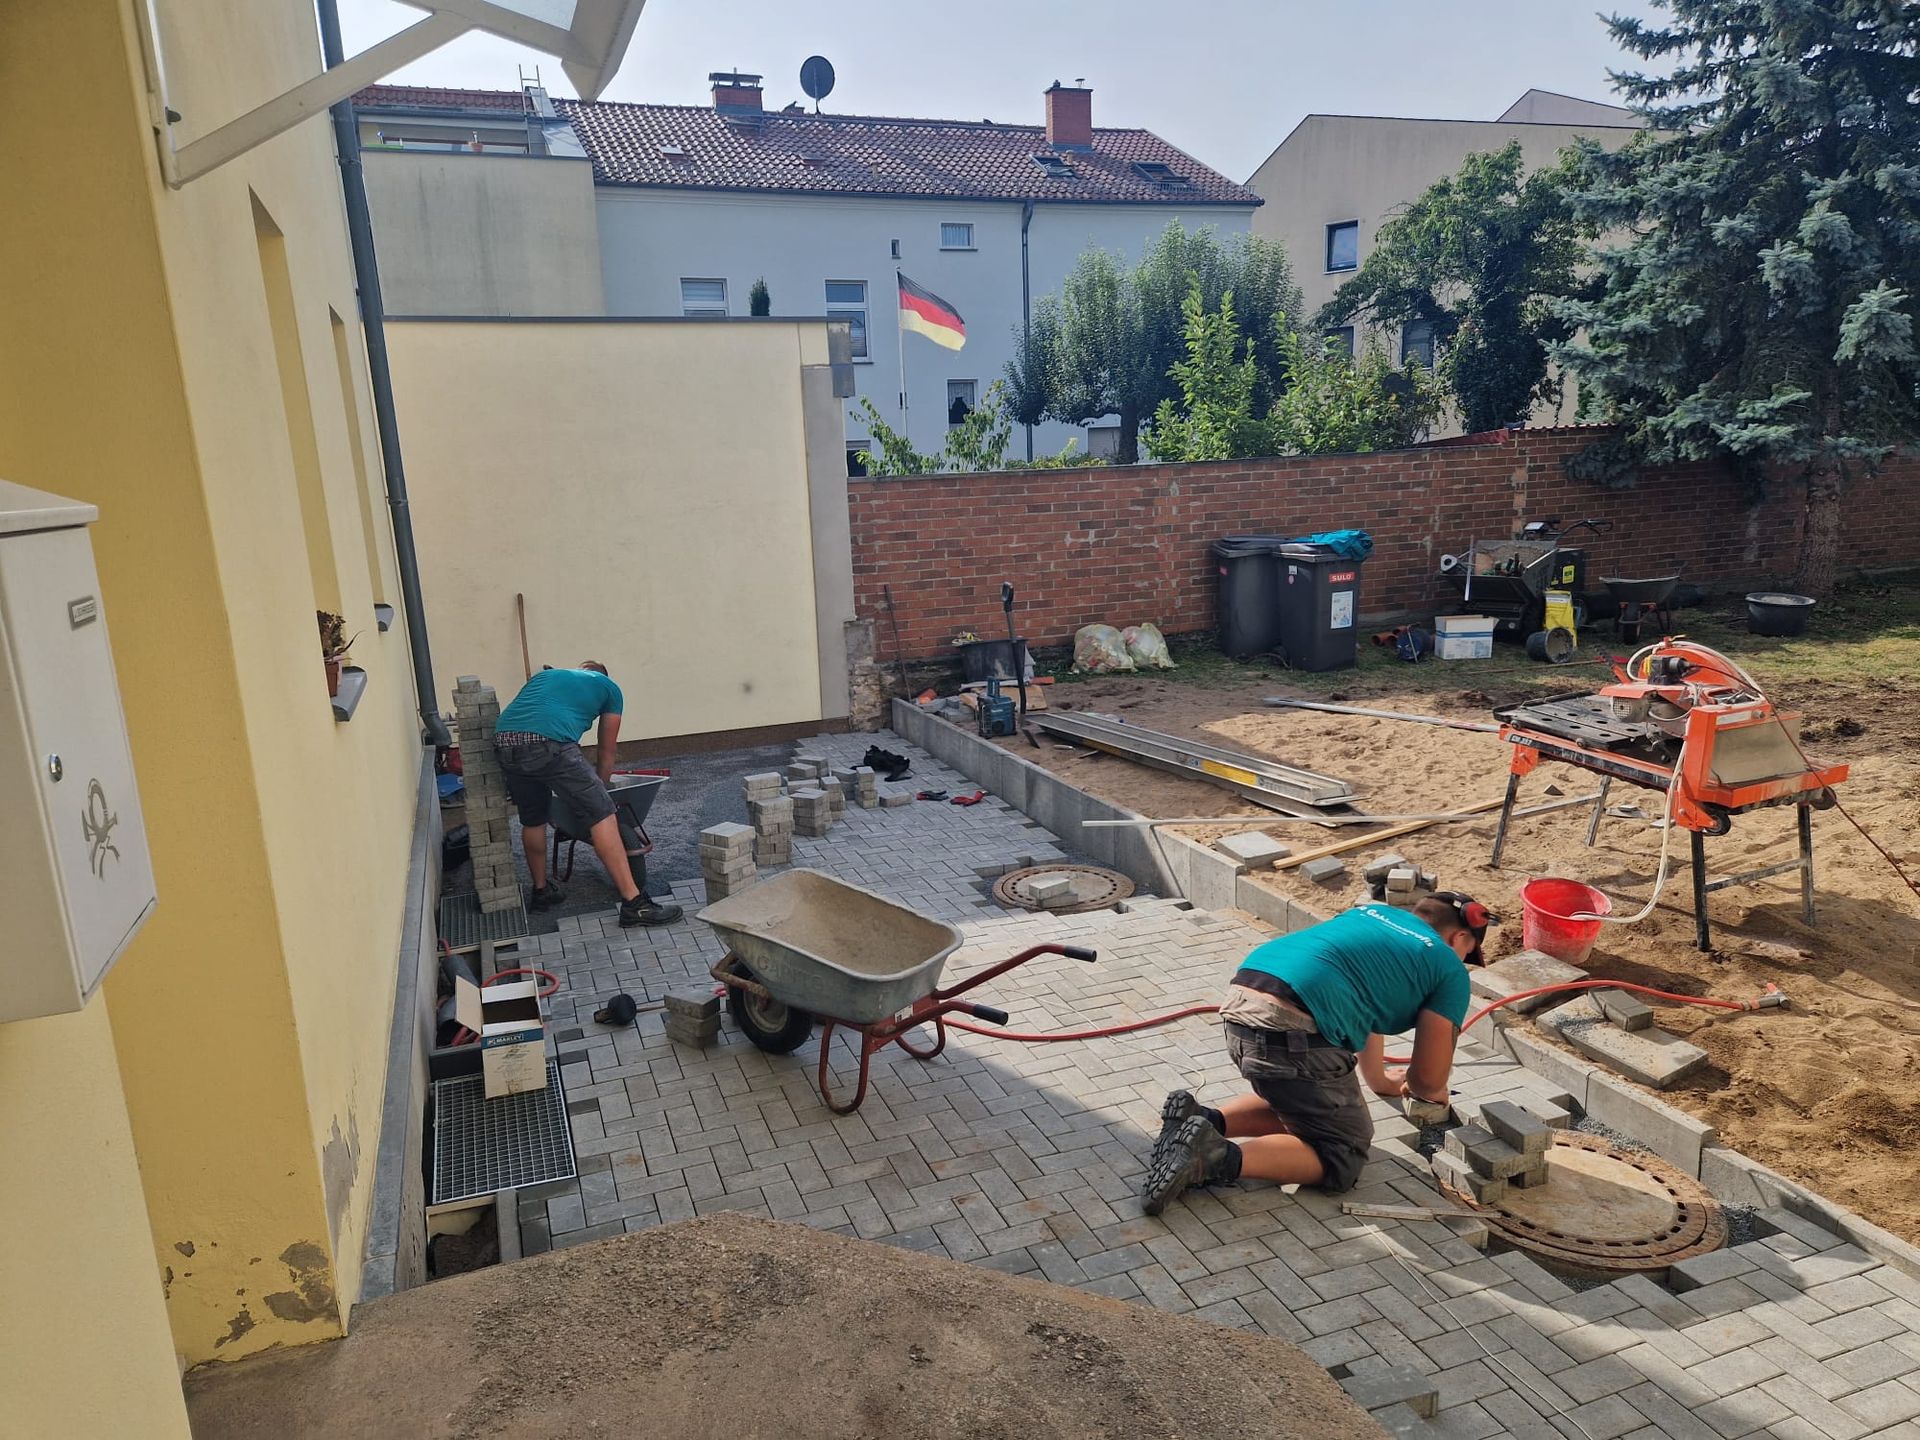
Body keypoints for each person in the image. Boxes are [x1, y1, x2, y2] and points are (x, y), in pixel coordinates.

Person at [1140, 892, 1493, 1214]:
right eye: (1467, 954)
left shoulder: (1372, 914)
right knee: (1342, 1154)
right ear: (1460, 937)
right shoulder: (1446, 965)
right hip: (1293, 1031)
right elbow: (1428, 1081)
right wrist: (1431, 1091)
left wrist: (1381, 1080)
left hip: (1243, 1004)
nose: (1462, 961)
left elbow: (1365, 1007)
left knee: (1305, 1106)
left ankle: (1199, 1119)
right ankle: (1210, 1155)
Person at [492, 662, 682, 927]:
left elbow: (530, 714)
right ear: (601, 675)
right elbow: (607, 751)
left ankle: (541, 890)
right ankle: (635, 905)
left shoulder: (548, 676)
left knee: (532, 819)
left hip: (504, 742)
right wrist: (599, 791)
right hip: (550, 742)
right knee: (603, 814)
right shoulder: (609, 688)